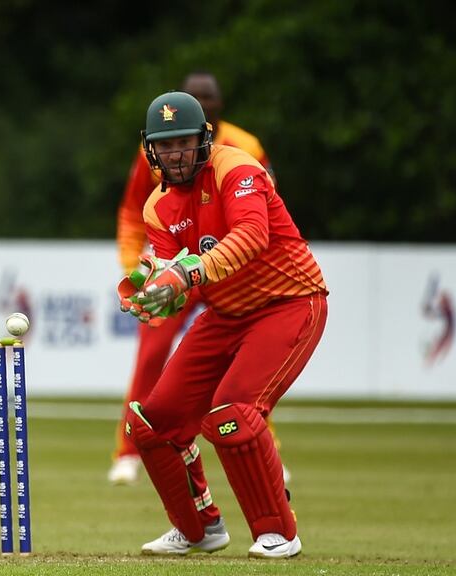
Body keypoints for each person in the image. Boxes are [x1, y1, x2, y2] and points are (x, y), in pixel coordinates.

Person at [117, 91, 327, 558]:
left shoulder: (237, 167)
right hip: (226, 315)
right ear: (151, 149)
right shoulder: (156, 207)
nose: (175, 154)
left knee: (232, 412)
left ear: (204, 139)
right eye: (165, 145)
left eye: (183, 142)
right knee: (152, 423)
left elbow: (251, 236)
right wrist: (155, 297)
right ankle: (198, 528)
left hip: (288, 301)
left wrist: (186, 274)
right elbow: (178, 279)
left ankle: (278, 532)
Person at [108, 71, 284, 486]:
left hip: (231, 268)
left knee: (250, 363)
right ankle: (129, 452)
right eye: (193, 97)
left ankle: (266, 446)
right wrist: (133, 268)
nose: (201, 104)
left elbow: (265, 208)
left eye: (207, 99)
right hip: (177, 267)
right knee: (151, 356)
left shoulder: (245, 146)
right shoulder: (154, 147)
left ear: (217, 107)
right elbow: (133, 211)